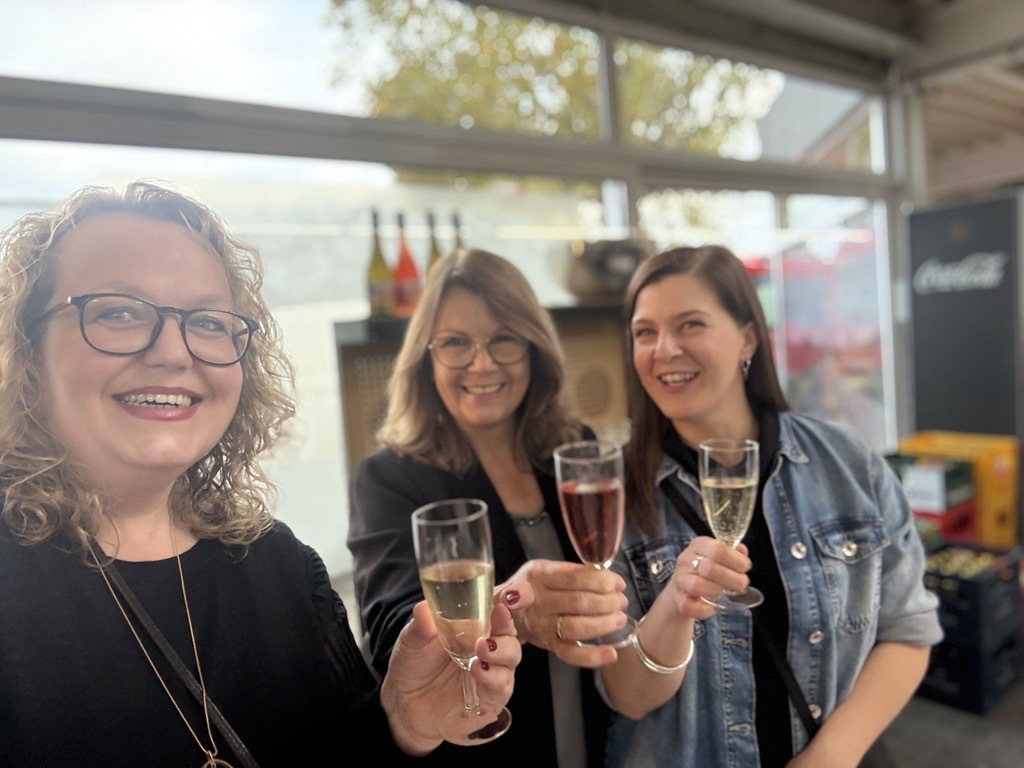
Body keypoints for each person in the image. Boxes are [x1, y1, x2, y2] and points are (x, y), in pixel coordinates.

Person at [0, 181, 533, 767]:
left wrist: (401, 724)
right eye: (119, 312)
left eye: (208, 322)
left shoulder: (280, 566)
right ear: (26, 350)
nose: (174, 353)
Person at [599, 245, 943, 768]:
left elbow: (908, 628)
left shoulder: (846, 461)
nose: (664, 349)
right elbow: (628, 696)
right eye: (645, 332)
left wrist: (833, 754)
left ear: (748, 338)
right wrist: (674, 605)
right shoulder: (613, 495)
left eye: (690, 324)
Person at [348, 247, 627, 768]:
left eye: (503, 339)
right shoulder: (387, 479)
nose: (482, 363)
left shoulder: (572, 449)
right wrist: (512, 609)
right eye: (456, 342)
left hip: (595, 738)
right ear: (427, 358)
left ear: (533, 349)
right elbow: (392, 640)